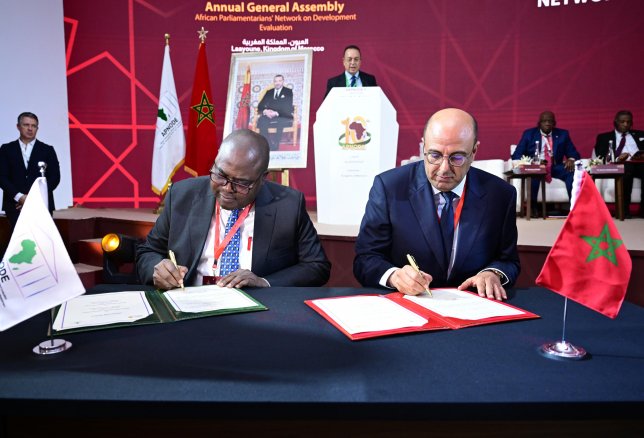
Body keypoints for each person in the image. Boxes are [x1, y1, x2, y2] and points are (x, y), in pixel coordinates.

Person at [354, 108, 520, 301]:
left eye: (457, 157)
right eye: (434, 155)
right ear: (423, 146)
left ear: (474, 151)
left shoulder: (500, 195)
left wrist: (493, 273)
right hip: (408, 305)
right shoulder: (389, 187)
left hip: (473, 305)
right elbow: (365, 259)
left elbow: (508, 261)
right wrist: (394, 276)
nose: (444, 169)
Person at [137, 129, 330, 290]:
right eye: (220, 175)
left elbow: (317, 266)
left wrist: (264, 282)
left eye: (241, 183)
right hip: (189, 302)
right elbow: (148, 252)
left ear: (263, 178)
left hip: (257, 310)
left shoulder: (288, 205)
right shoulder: (182, 195)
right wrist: (157, 269)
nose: (227, 188)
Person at [0, 112, 61, 230]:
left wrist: (33, 197)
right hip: (15, 206)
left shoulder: (47, 150)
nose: (30, 128)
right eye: (26, 125)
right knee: (19, 240)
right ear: (18, 126)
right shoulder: (6, 149)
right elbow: (2, 177)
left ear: (37, 128)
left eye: (33, 126)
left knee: (41, 240)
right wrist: (19, 197)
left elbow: (55, 178)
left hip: (42, 205)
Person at [511, 111, 580, 211]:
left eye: (550, 121)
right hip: (536, 166)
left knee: (570, 172)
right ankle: (533, 208)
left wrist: (571, 159)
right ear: (539, 123)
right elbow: (517, 154)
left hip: (555, 167)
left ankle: (574, 208)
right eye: (544, 121)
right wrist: (526, 164)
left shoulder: (563, 134)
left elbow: (574, 153)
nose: (547, 123)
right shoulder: (529, 134)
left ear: (554, 123)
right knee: (533, 175)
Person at [594, 110, 644, 218]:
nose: (626, 124)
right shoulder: (604, 137)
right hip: (619, 165)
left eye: (628, 122)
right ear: (616, 122)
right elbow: (600, 156)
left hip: (639, 164)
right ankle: (624, 210)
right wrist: (617, 157)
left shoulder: (641, 135)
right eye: (622, 122)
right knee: (627, 169)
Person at [256, 74, 294, 151]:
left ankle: (276, 144)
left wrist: (276, 113)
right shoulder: (269, 92)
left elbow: (288, 107)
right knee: (261, 120)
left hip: (282, 114)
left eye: (279, 81)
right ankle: (268, 144)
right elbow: (260, 106)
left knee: (281, 120)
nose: (277, 83)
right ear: (274, 82)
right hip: (269, 115)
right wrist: (266, 111)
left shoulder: (288, 92)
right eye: (275, 81)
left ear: (283, 81)